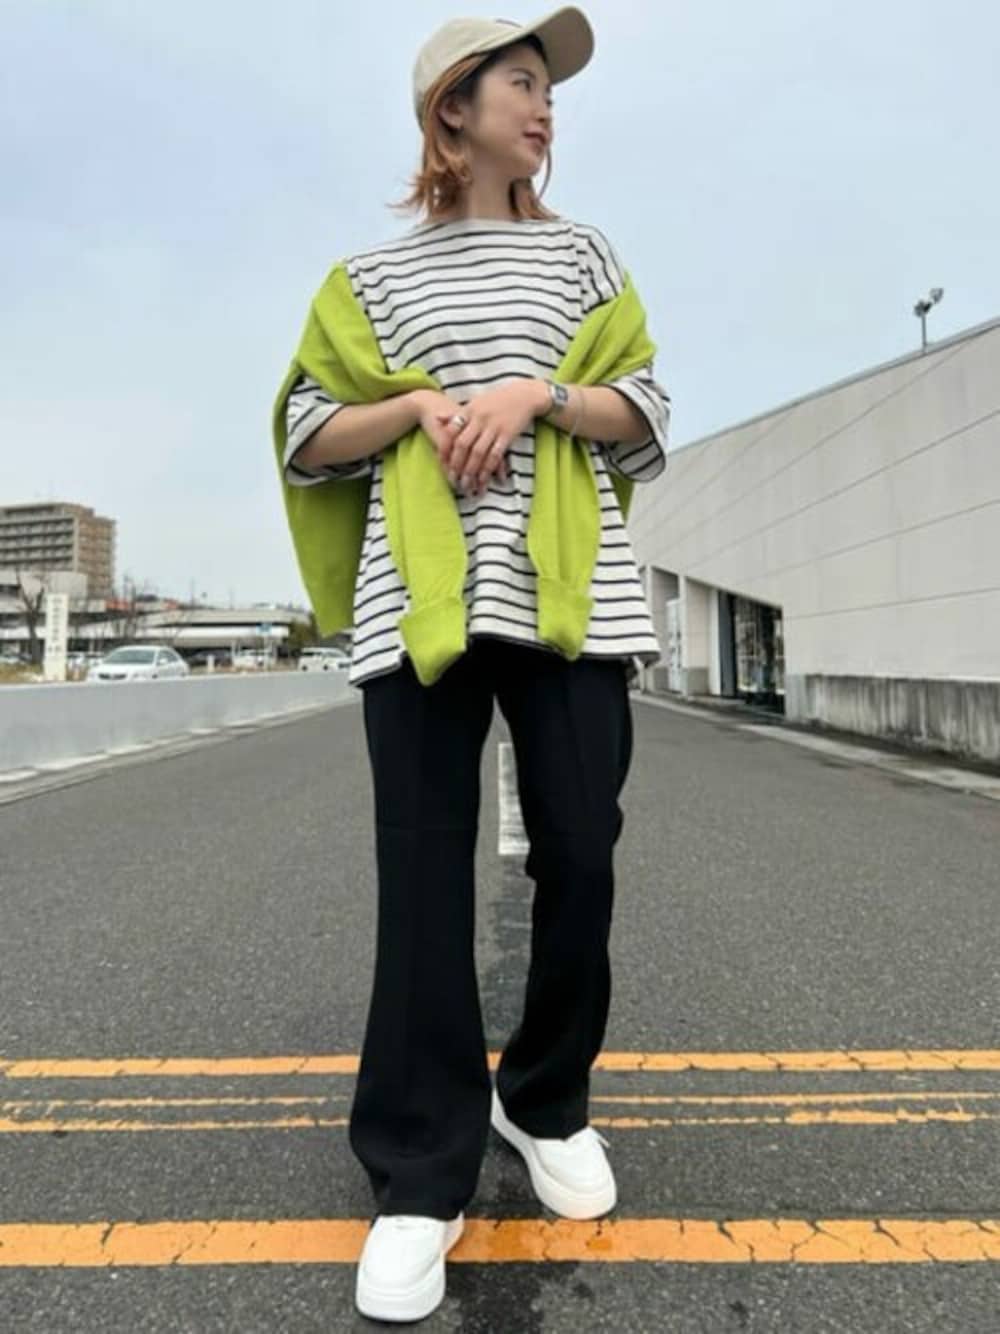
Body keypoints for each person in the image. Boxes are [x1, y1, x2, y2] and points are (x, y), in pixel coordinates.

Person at [272, 7, 671, 1323]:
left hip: (574, 603)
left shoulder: (585, 256)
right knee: (424, 878)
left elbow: (645, 409)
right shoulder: (371, 277)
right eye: (522, 82)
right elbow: (307, 432)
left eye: (548, 88)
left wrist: (532, 395)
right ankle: (418, 1173)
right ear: (453, 106)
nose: (546, 106)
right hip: (419, 605)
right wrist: (416, 405)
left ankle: (542, 1099)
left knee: (585, 851)